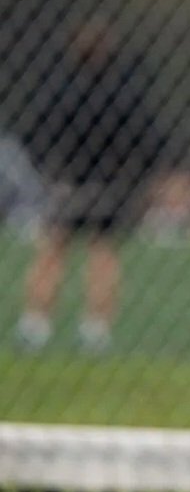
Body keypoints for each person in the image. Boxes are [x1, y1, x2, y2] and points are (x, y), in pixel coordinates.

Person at [15, 20, 163, 353]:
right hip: (109, 183)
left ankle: (35, 325)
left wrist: (47, 170)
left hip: (67, 182)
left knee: (53, 250)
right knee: (102, 254)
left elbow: (34, 134)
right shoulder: (124, 91)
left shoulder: (59, 88)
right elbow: (148, 138)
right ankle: (95, 330)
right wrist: (135, 174)